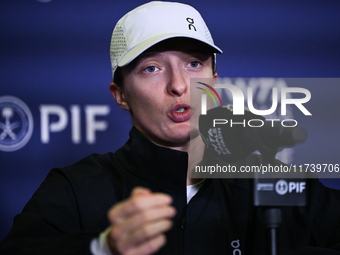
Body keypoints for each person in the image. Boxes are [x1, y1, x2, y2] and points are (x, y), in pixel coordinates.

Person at [1, 1, 340, 255]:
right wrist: (102, 248)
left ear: (214, 81)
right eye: (152, 68)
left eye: (194, 63)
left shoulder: (276, 183)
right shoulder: (75, 188)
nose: (179, 85)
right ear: (120, 95)